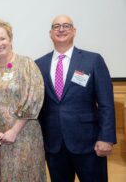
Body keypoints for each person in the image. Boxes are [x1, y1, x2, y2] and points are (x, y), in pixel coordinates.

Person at [35, 15, 116, 182]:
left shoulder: (93, 60)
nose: (61, 29)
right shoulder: (38, 65)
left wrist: (106, 137)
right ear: (50, 33)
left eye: (66, 25)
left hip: (89, 144)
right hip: (54, 146)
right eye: (56, 26)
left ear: (74, 31)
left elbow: (106, 103)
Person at [0, 19, 47, 182]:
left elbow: (34, 98)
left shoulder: (26, 64)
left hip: (23, 137)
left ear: (10, 40)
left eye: (2, 38)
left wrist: (14, 131)